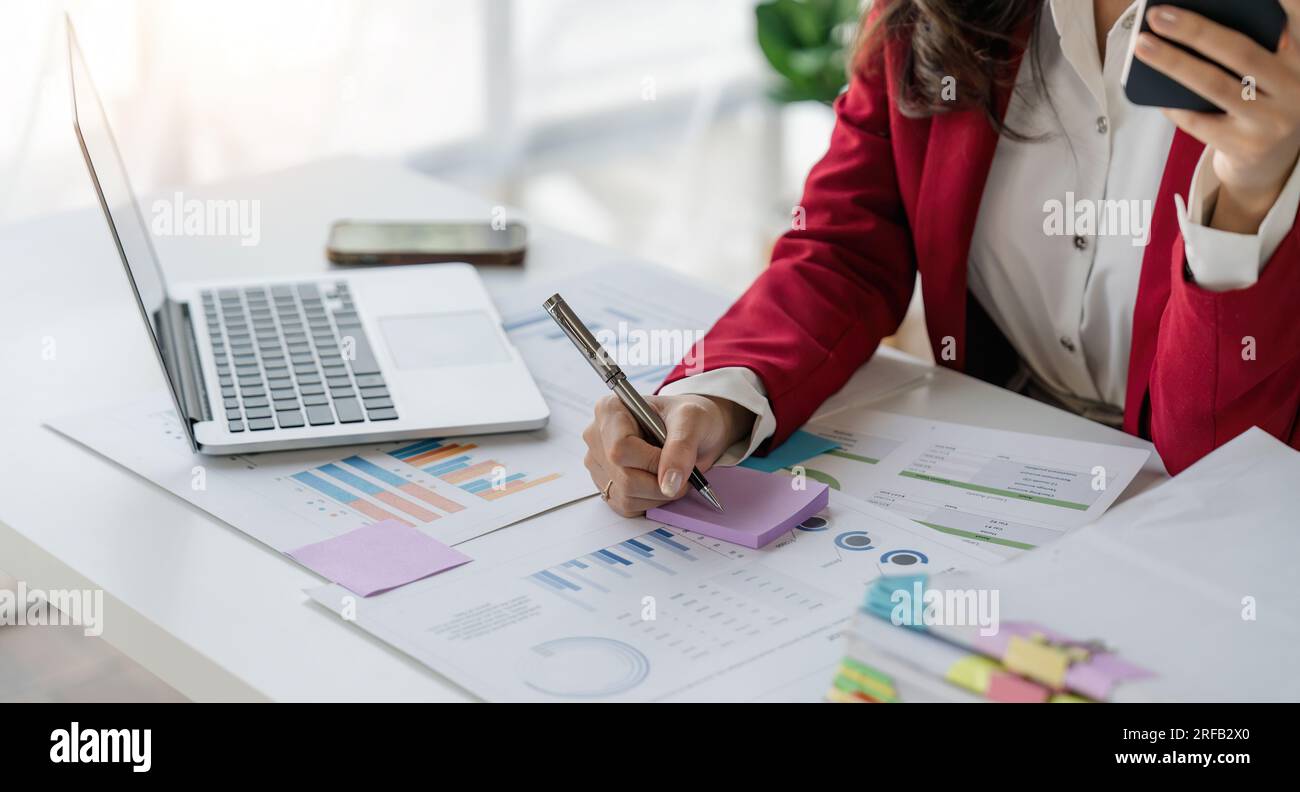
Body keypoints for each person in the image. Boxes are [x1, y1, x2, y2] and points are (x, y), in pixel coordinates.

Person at [583, 0, 1300, 516]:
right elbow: (844, 245)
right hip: (1005, 500)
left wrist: (1248, 195)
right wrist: (716, 398)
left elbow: (1229, 469)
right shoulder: (932, 13)